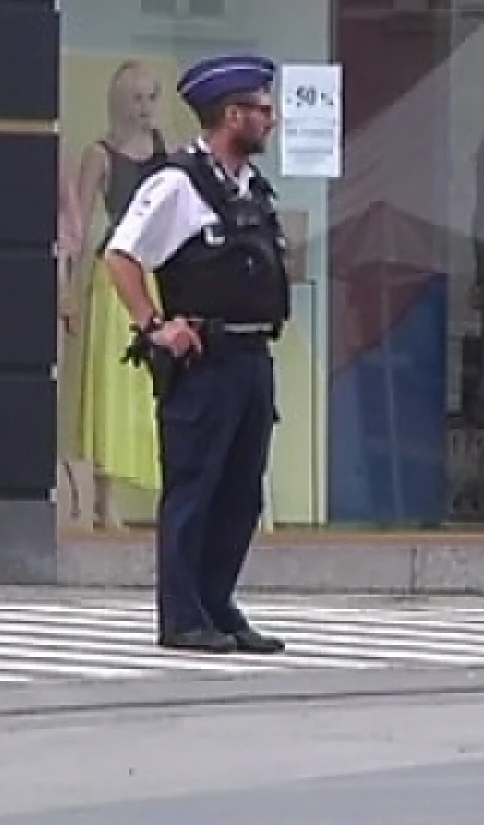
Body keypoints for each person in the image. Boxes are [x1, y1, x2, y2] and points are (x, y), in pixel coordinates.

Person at [102, 53, 291, 654]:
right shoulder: (177, 184)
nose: (273, 119)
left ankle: (217, 604)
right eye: (262, 109)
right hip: (205, 360)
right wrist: (153, 325)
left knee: (242, 491)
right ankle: (182, 617)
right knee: (195, 488)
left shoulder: (252, 189)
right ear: (231, 114)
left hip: (253, 355)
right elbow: (121, 254)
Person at [65, 61, 170, 528]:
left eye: (151, 97)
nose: (145, 108)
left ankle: (160, 495)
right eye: (137, 98)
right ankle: (106, 503)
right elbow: (78, 224)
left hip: (156, 275)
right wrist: (67, 285)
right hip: (114, 275)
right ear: (119, 102)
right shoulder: (100, 155)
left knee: (156, 387)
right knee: (112, 385)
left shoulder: (167, 152)